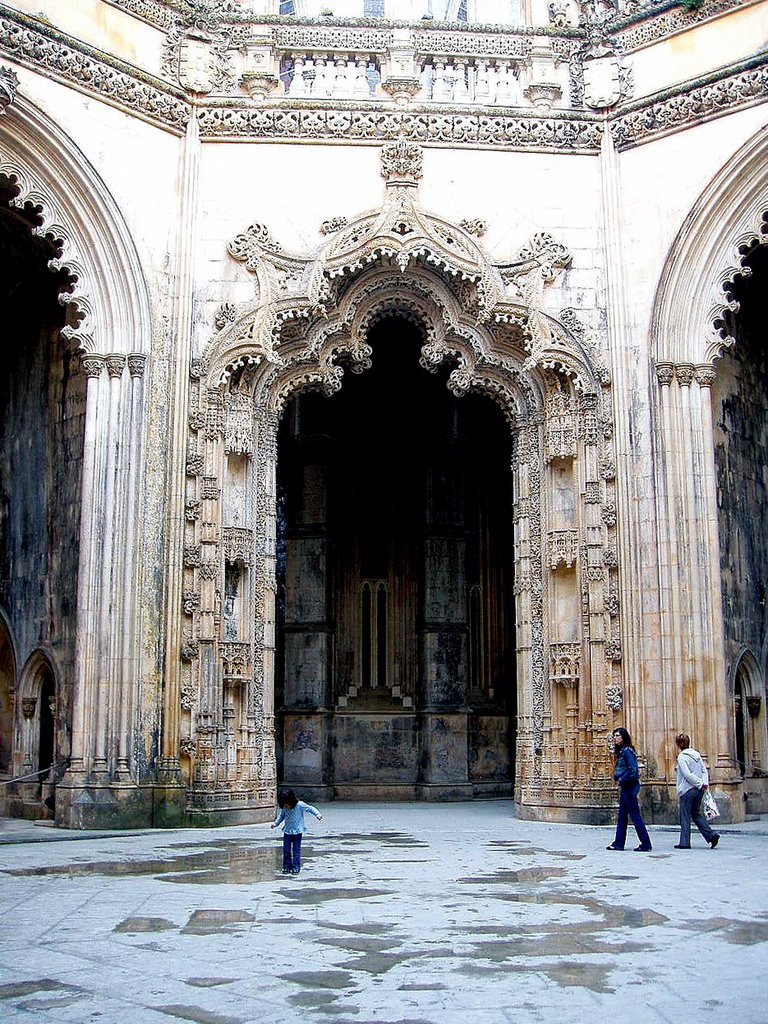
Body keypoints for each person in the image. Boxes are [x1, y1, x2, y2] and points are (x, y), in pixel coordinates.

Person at [606, 727, 653, 852]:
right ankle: (619, 843)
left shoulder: (627, 751)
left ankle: (646, 843)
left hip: (629, 787)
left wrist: (622, 779)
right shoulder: (623, 751)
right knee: (622, 816)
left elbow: (633, 771)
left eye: (617, 736)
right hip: (626, 787)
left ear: (624, 737)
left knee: (635, 816)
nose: (615, 738)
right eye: (614, 736)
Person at [674, 733, 720, 849]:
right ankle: (711, 835)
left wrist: (699, 784)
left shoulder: (682, 757)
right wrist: (703, 784)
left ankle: (684, 842)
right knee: (696, 814)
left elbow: (687, 774)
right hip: (699, 790)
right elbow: (704, 771)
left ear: (678, 744)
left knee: (685, 816)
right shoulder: (697, 755)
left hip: (688, 789)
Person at [271, 789, 323, 874]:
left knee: (296, 851)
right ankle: (286, 866)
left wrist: (317, 814)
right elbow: (281, 816)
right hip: (287, 831)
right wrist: (275, 823)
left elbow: (310, 808)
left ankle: (296, 867)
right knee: (286, 850)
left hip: (297, 832)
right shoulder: (284, 808)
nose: (286, 806)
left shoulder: (299, 805)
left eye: (287, 804)